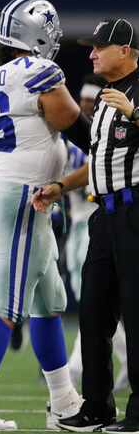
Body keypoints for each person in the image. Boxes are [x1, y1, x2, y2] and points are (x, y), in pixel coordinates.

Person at [0, 0, 86, 432]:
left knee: (49, 304)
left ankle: (64, 401)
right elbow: (73, 121)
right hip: (23, 198)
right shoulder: (38, 72)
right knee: (7, 308)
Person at [35, 18, 139, 434]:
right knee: (94, 312)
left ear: (126, 51)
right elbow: (98, 160)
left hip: (135, 211)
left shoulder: (131, 95)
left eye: (100, 47)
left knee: (136, 311)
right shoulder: (103, 99)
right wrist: (61, 185)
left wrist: (133, 113)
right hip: (105, 213)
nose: (92, 53)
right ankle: (97, 406)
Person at [64, 76, 129, 393]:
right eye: (84, 103)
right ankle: (118, 361)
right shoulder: (92, 128)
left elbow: (89, 170)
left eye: (91, 103)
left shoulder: (111, 126)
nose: (86, 108)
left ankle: (80, 365)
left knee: (103, 300)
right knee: (92, 301)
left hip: (106, 216)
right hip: (85, 222)